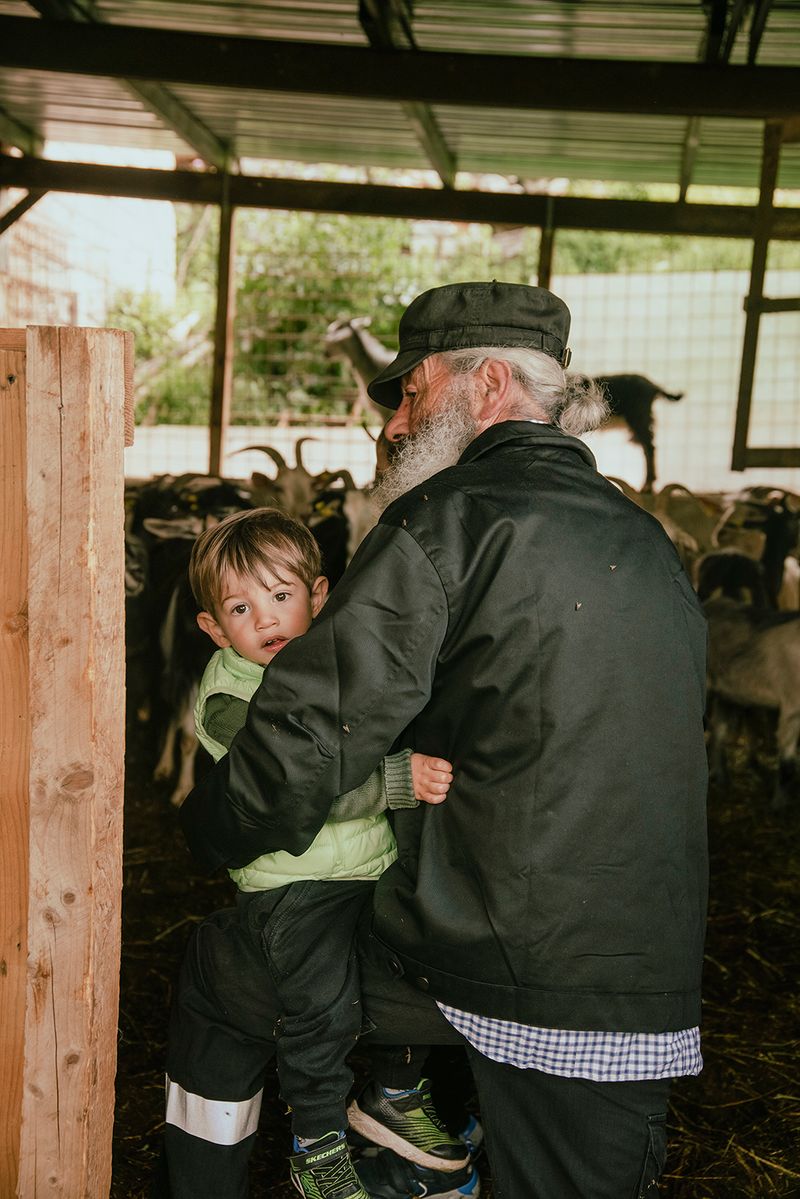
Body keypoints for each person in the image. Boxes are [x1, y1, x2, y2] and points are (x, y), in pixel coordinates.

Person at [168, 281, 709, 1199]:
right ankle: (405, 1114)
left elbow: (310, 731)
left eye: (411, 394)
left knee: (218, 969)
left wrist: (207, 826)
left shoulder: (449, 521)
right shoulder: (650, 541)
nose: (394, 426)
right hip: (642, 984)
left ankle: (263, 1165)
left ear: (487, 383)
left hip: (496, 961)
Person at [159, 505, 472, 1199]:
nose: (265, 618)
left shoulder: (334, 664)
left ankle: (396, 1090)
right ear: (213, 627)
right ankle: (318, 1141)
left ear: (320, 596)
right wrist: (396, 780)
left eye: (280, 595)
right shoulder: (228, 697)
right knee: (322, 1001)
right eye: (241, 607)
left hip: (368, 869)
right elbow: (289, 788)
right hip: (296, 887)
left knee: (420, 955)